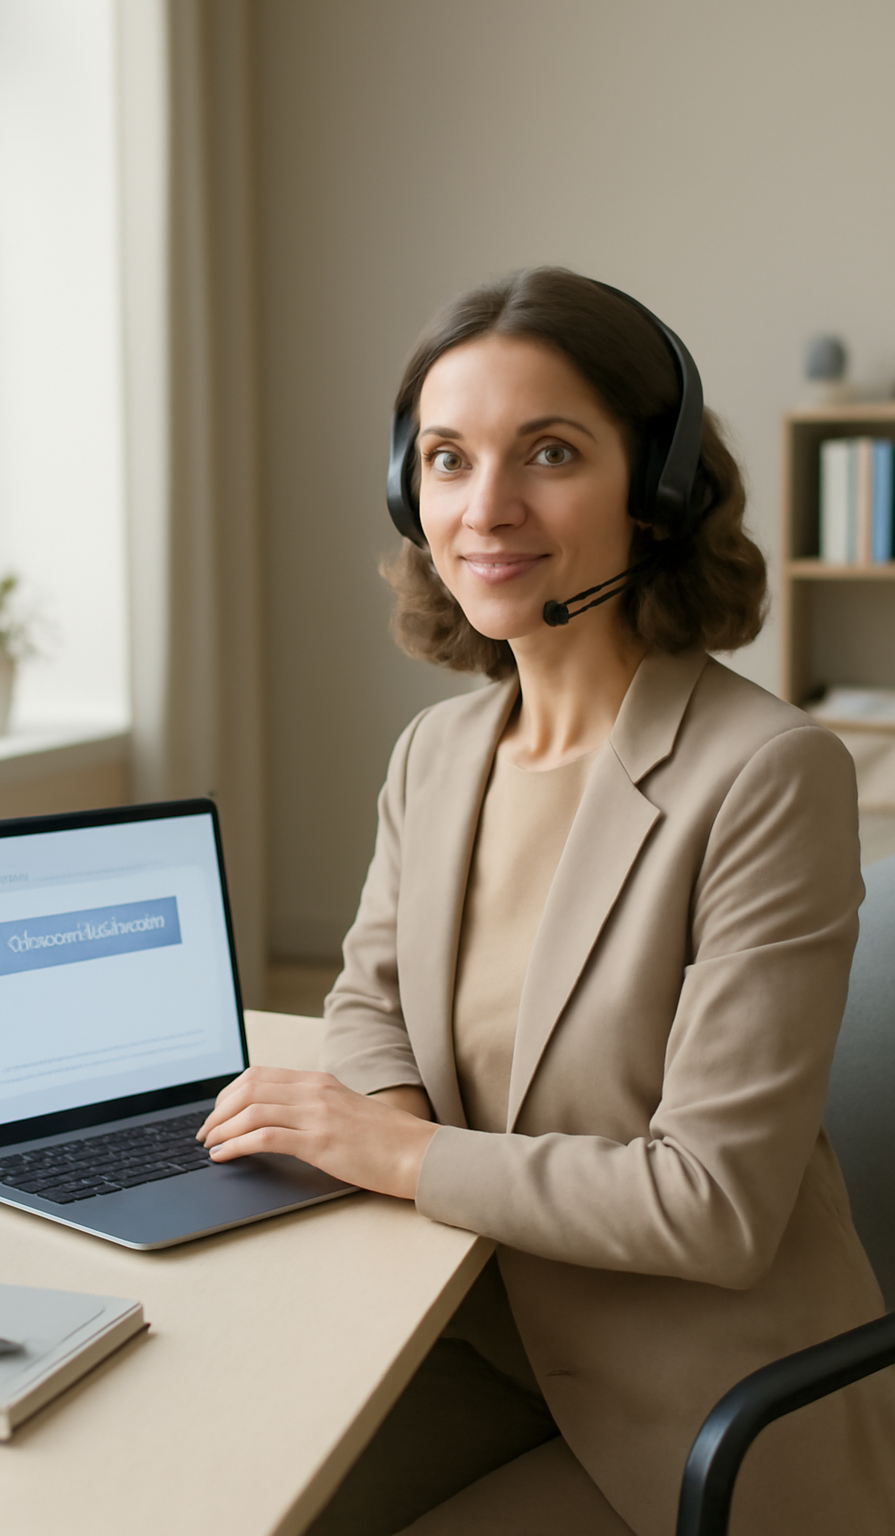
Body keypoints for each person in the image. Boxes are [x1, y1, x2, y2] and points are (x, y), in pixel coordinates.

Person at [198, 269, 895, 1535]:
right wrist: (390, 1122)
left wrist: (398, 1154)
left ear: (659, 492)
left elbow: (713, 1206)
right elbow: (369, 1001)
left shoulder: (766, 775)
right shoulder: (438, 754)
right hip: (472, 1333)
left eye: (552, 453)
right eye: (449, 460)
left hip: (700, 1411)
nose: (488, 508)